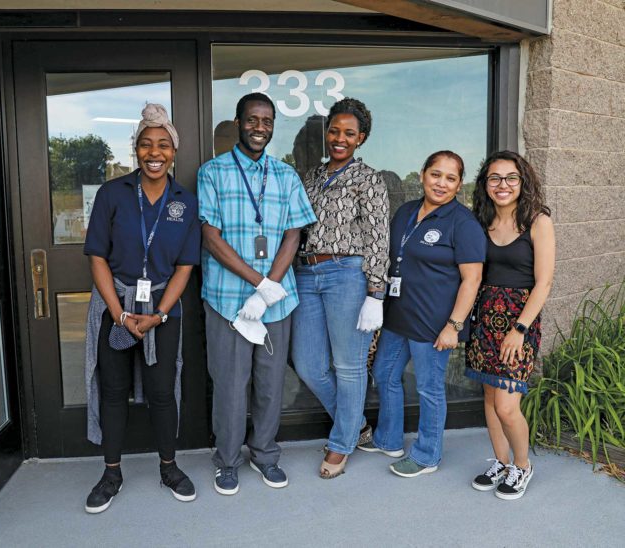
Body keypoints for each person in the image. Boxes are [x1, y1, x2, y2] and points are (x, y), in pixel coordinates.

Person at [82, 104, 201, 513]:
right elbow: (97, 256)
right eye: (146, 144)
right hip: (116, 305)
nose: (155, 152)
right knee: (114, 393)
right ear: (135, 149)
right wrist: (119, 314)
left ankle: (169, 468)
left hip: (162, 309)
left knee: (162, 393)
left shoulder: (185, 200)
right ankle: (111, 473)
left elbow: (185, 266)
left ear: (173, 151)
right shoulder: (112, 194)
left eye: (163, 145)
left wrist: (160, 314)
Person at [198, 92, 316, 495]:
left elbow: (293, 234)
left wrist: (268, 290)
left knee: (270, 384)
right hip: (227, 299)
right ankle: (227, 461)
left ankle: (265, 454)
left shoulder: (285, 176)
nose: (259, 128)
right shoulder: (212, 172)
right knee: (230, 385)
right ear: (238, 122)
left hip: (275, 303)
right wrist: (256, 282)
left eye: (266, 121)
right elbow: (211, 238)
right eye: (252, 120)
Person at [357, 150, 485, 477]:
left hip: (434, 324)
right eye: (435, 174)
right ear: (423, 174)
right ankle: (388, 438)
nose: (441, 183)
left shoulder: (462, 223)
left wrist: (453, 326)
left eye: (450, 178)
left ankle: (427, 455)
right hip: (398, 316)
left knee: (429, 389)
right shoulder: (405, 212)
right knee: (385, 374)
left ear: (459, 185)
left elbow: (472, 279)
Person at [291, 97, 389, 479]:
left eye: (349, 133)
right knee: (308, 365)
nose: (339, 138)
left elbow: (379, 237)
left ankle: (342, 442)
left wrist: (375, 293)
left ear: (361, 138)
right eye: (334, 130)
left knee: (349, 366)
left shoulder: (369, 179)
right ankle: (356, 424)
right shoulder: (311, 176)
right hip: (305, 273)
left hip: (347, 273)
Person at [465, 151, 554, 500]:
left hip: (519, 322)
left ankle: (523, 465)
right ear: (485, 185)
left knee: (506, 405)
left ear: (523, 181)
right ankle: (501, 463)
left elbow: (543, 284)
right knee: (489, 397)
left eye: (511, 178)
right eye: (494, 178)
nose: (503, 185)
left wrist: (519, 330)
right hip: (485, 317)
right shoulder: (480, 220)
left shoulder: (538, 221)